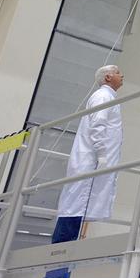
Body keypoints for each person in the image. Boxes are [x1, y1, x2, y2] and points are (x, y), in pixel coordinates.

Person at [52, 65, 124, 243]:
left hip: (93, 162)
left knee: (77, 208)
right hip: (91, 162)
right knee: (75, 209)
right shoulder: (103, 96)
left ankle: (61, 262)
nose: (122, 75)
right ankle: (58, 262)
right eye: (117, 73)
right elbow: (98, 125)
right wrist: (102, 155)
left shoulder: (108, 97)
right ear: (107, 77)